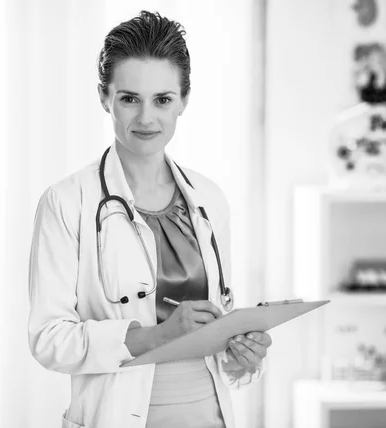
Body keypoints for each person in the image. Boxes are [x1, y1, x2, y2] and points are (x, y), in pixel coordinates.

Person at [28, 10, 271, 428]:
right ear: (105, 98)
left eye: (162, 99)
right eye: (129, 99)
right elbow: (49, 339)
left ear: (184, 101)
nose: (146, 118)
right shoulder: (67, 202)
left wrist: (241, 352)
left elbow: (220, 319)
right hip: (117, 416)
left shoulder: (209, 198)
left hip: (207, 413)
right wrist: (155, 336)